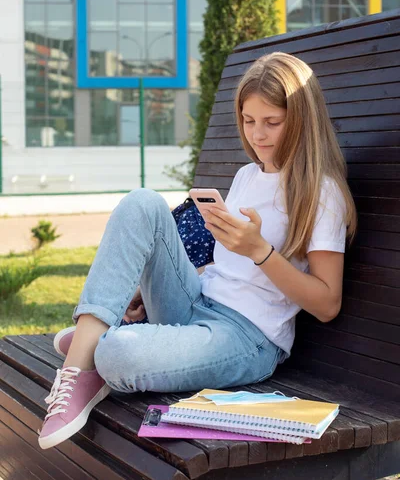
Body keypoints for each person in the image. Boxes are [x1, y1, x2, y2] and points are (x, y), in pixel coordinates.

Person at [38, 52, 357, 450]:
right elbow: (224, 270)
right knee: (142, 202)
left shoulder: (321, 193)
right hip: (198, 302)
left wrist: (261, 251)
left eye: (272, 122)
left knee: (118, 354)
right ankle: (81, 365)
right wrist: (144, 292)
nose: (258, 135)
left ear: (302, 120)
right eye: (249, 120)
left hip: (248, 338)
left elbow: (327, 303)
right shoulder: (246, 175)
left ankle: (99, 340)